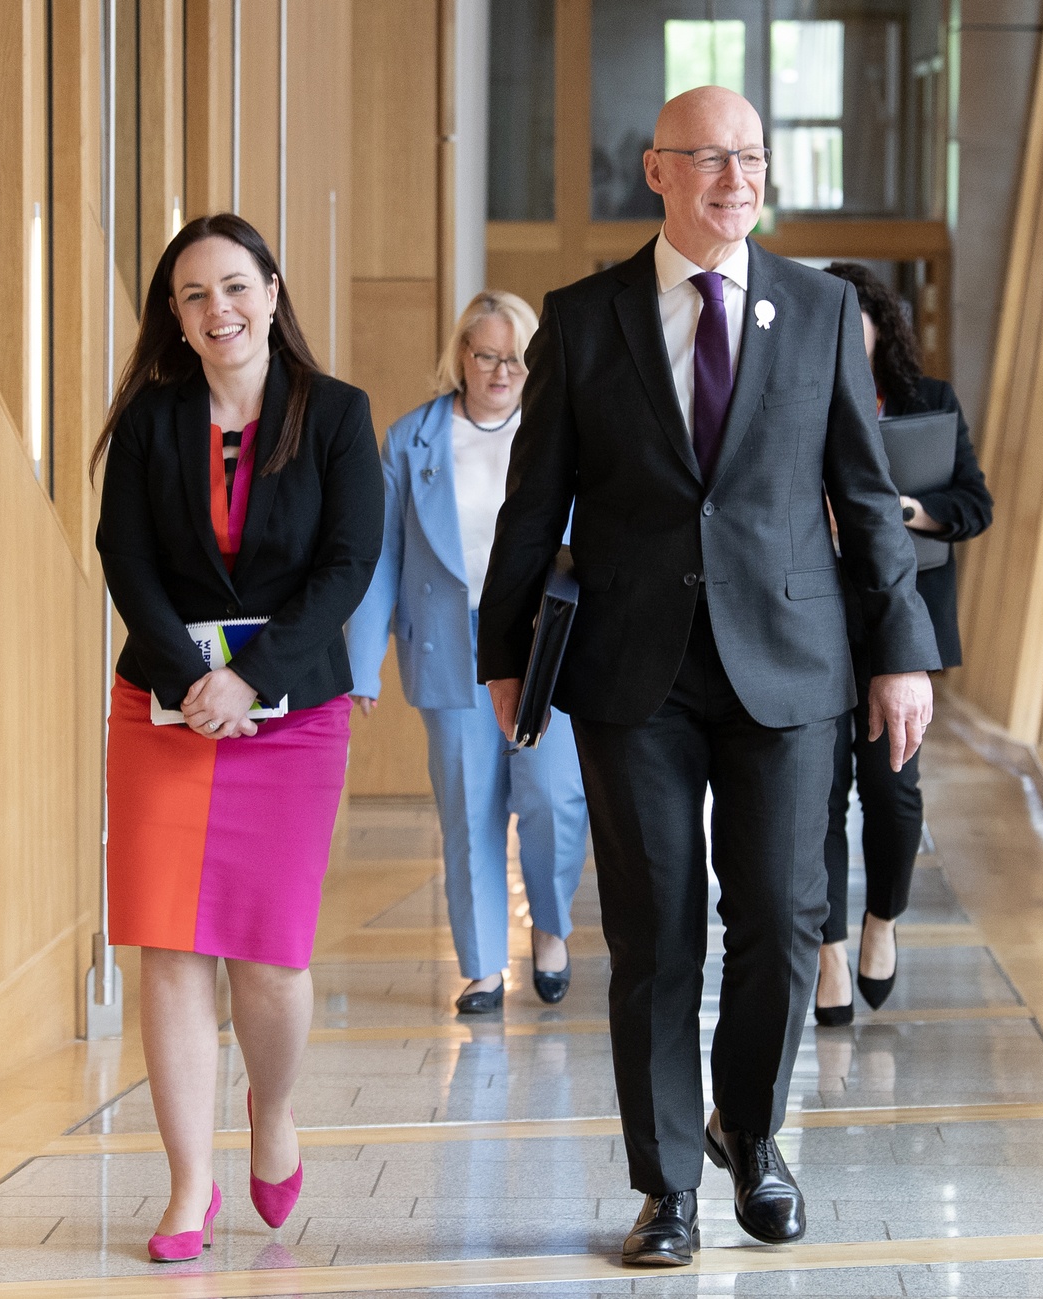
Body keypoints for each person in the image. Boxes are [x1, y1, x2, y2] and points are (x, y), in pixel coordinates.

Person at [477, 87, 939, 1267]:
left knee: (785, 919)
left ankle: (753, 1130)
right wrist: (501, 654)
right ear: (657, 172)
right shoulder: (584, 322)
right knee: (656, 931)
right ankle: (668, 1185)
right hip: (635, 673)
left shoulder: (824, 309)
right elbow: (535, 505)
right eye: (711, 158)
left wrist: (901, 652)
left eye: (754, 158)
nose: (737, 178)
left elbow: (863, 495)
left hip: (792, 664)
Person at [92, 213, 383, 1263]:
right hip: (165, 713)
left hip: (291, 716)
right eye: (194, 296)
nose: (219, 310)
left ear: (272, 288)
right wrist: (190, 679)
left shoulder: (337, 415)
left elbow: (349, 563)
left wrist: (252, 678)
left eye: (234, 287)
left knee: (267, 957)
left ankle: (271, 1107)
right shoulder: (151, 421)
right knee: (170, 947)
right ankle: (186, 1186)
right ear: (175, 318)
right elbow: (124, 557)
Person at [345, 291, 591, 1016]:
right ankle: (483, 966)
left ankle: (549, 925)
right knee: (468, 805)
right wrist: (363, 662)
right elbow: (381, 553)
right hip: (451, 644)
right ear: (461, 355)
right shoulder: (412, 438)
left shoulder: (560, 433)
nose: (500, 370)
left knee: (553, 796)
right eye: (486, 354)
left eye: (515, 356)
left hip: (541, 641)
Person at [814, 263, 993, 1027]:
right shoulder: (798, 400)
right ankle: (827, 952)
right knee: (815, 799)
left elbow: (974, 505)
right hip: (814, 626)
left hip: (897, 627)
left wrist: (909, 510)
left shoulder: (930, 404)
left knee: (891, 793)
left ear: (881, 329)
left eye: (852, 330)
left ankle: (881, 918)